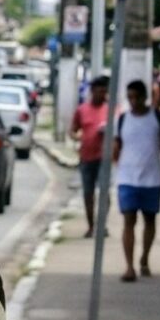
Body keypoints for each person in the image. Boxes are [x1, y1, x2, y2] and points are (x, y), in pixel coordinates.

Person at [111, 78, 160, 282]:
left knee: (149, 220)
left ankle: (144, 258)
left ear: (145, 96)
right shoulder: (122, 119)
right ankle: (129, 266)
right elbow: (116, 146)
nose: (134, 101)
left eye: (137, 97)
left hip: (152, 178)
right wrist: (114, 163)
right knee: (129, 221)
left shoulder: (158, 117)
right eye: (130, 97)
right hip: (127, 178)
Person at [70, 74, 111, 235]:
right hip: (87, 157)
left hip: (104, 157)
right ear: (92, 91)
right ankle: (91, 225)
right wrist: (78, 137)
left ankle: (102, 224)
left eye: (105, 92)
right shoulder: (82, 110)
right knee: (88, 193)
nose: (103, 95)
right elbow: (73, 130)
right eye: (99, 91)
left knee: (104, 193)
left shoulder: (110, 109)